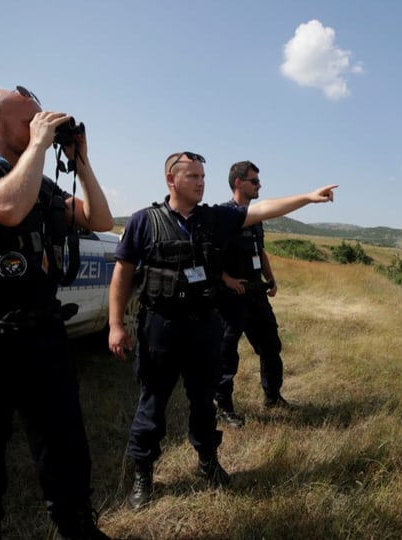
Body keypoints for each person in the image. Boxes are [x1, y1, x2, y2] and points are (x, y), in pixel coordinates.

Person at [0, 86, 114, 539]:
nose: (39, 126)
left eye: (41, 120)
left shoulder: (42, 184)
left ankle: (77, 525)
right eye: (28, 119)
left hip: (44, 332)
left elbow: (100, 220)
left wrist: (80, 159)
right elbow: (6, 208)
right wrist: (38, 144)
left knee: (64, 440)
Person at [107, 151, 336, 510]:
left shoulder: (214, 219)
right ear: (171, 180)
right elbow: (122, 275)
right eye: (193, 177)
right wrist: (116, 325)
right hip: (160, 327)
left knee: (202, 400)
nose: (201, 182)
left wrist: (307, 197)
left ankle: (207, 462)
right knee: (153, 402)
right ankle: (144, 474)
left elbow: (263, 210)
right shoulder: (143, 222)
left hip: (203, 324)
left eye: (203, 176)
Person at [214, 161, 289, 429]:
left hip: (256, 293)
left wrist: (271, 278)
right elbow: (209, 254)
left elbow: (261, 250)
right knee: (226, 354)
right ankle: (223, 407)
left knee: (271, 345)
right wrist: (227, 279)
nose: (259, 186)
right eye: (254, 181)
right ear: (238, 182)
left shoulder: (255, 216)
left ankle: (272, 395)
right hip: (232, 297)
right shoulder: (223, 216)